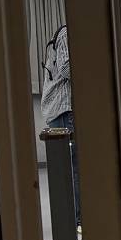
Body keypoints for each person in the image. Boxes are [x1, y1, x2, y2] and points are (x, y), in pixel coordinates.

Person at [40, 23, 80, 224]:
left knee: (71, 168)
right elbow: (67, 69)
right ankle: (78, 219)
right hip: (65, 109)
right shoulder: (67, 32)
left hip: (65, 110)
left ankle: (74, 218)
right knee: (73, 168)